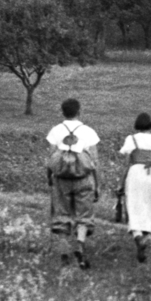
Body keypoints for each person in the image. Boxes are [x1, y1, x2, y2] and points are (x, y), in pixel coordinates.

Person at [45, 96, 99, 269]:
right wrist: (97, 184)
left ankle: (64, 254)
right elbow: (95, 162)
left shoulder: (56, 131)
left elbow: (51, 158)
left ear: (63, 112)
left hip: (61, 180)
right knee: (84, 216)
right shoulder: (88, 131)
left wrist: (49, 178)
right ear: (79, 111)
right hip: (83, 179)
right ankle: (80, 246)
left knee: (61, 214)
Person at [118, 113, 151, 263]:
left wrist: (120, 183)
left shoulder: (131, 139)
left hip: (135, 174)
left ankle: (138, 236)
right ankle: (145, 238)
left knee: (134, 206)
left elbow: (126, 162)